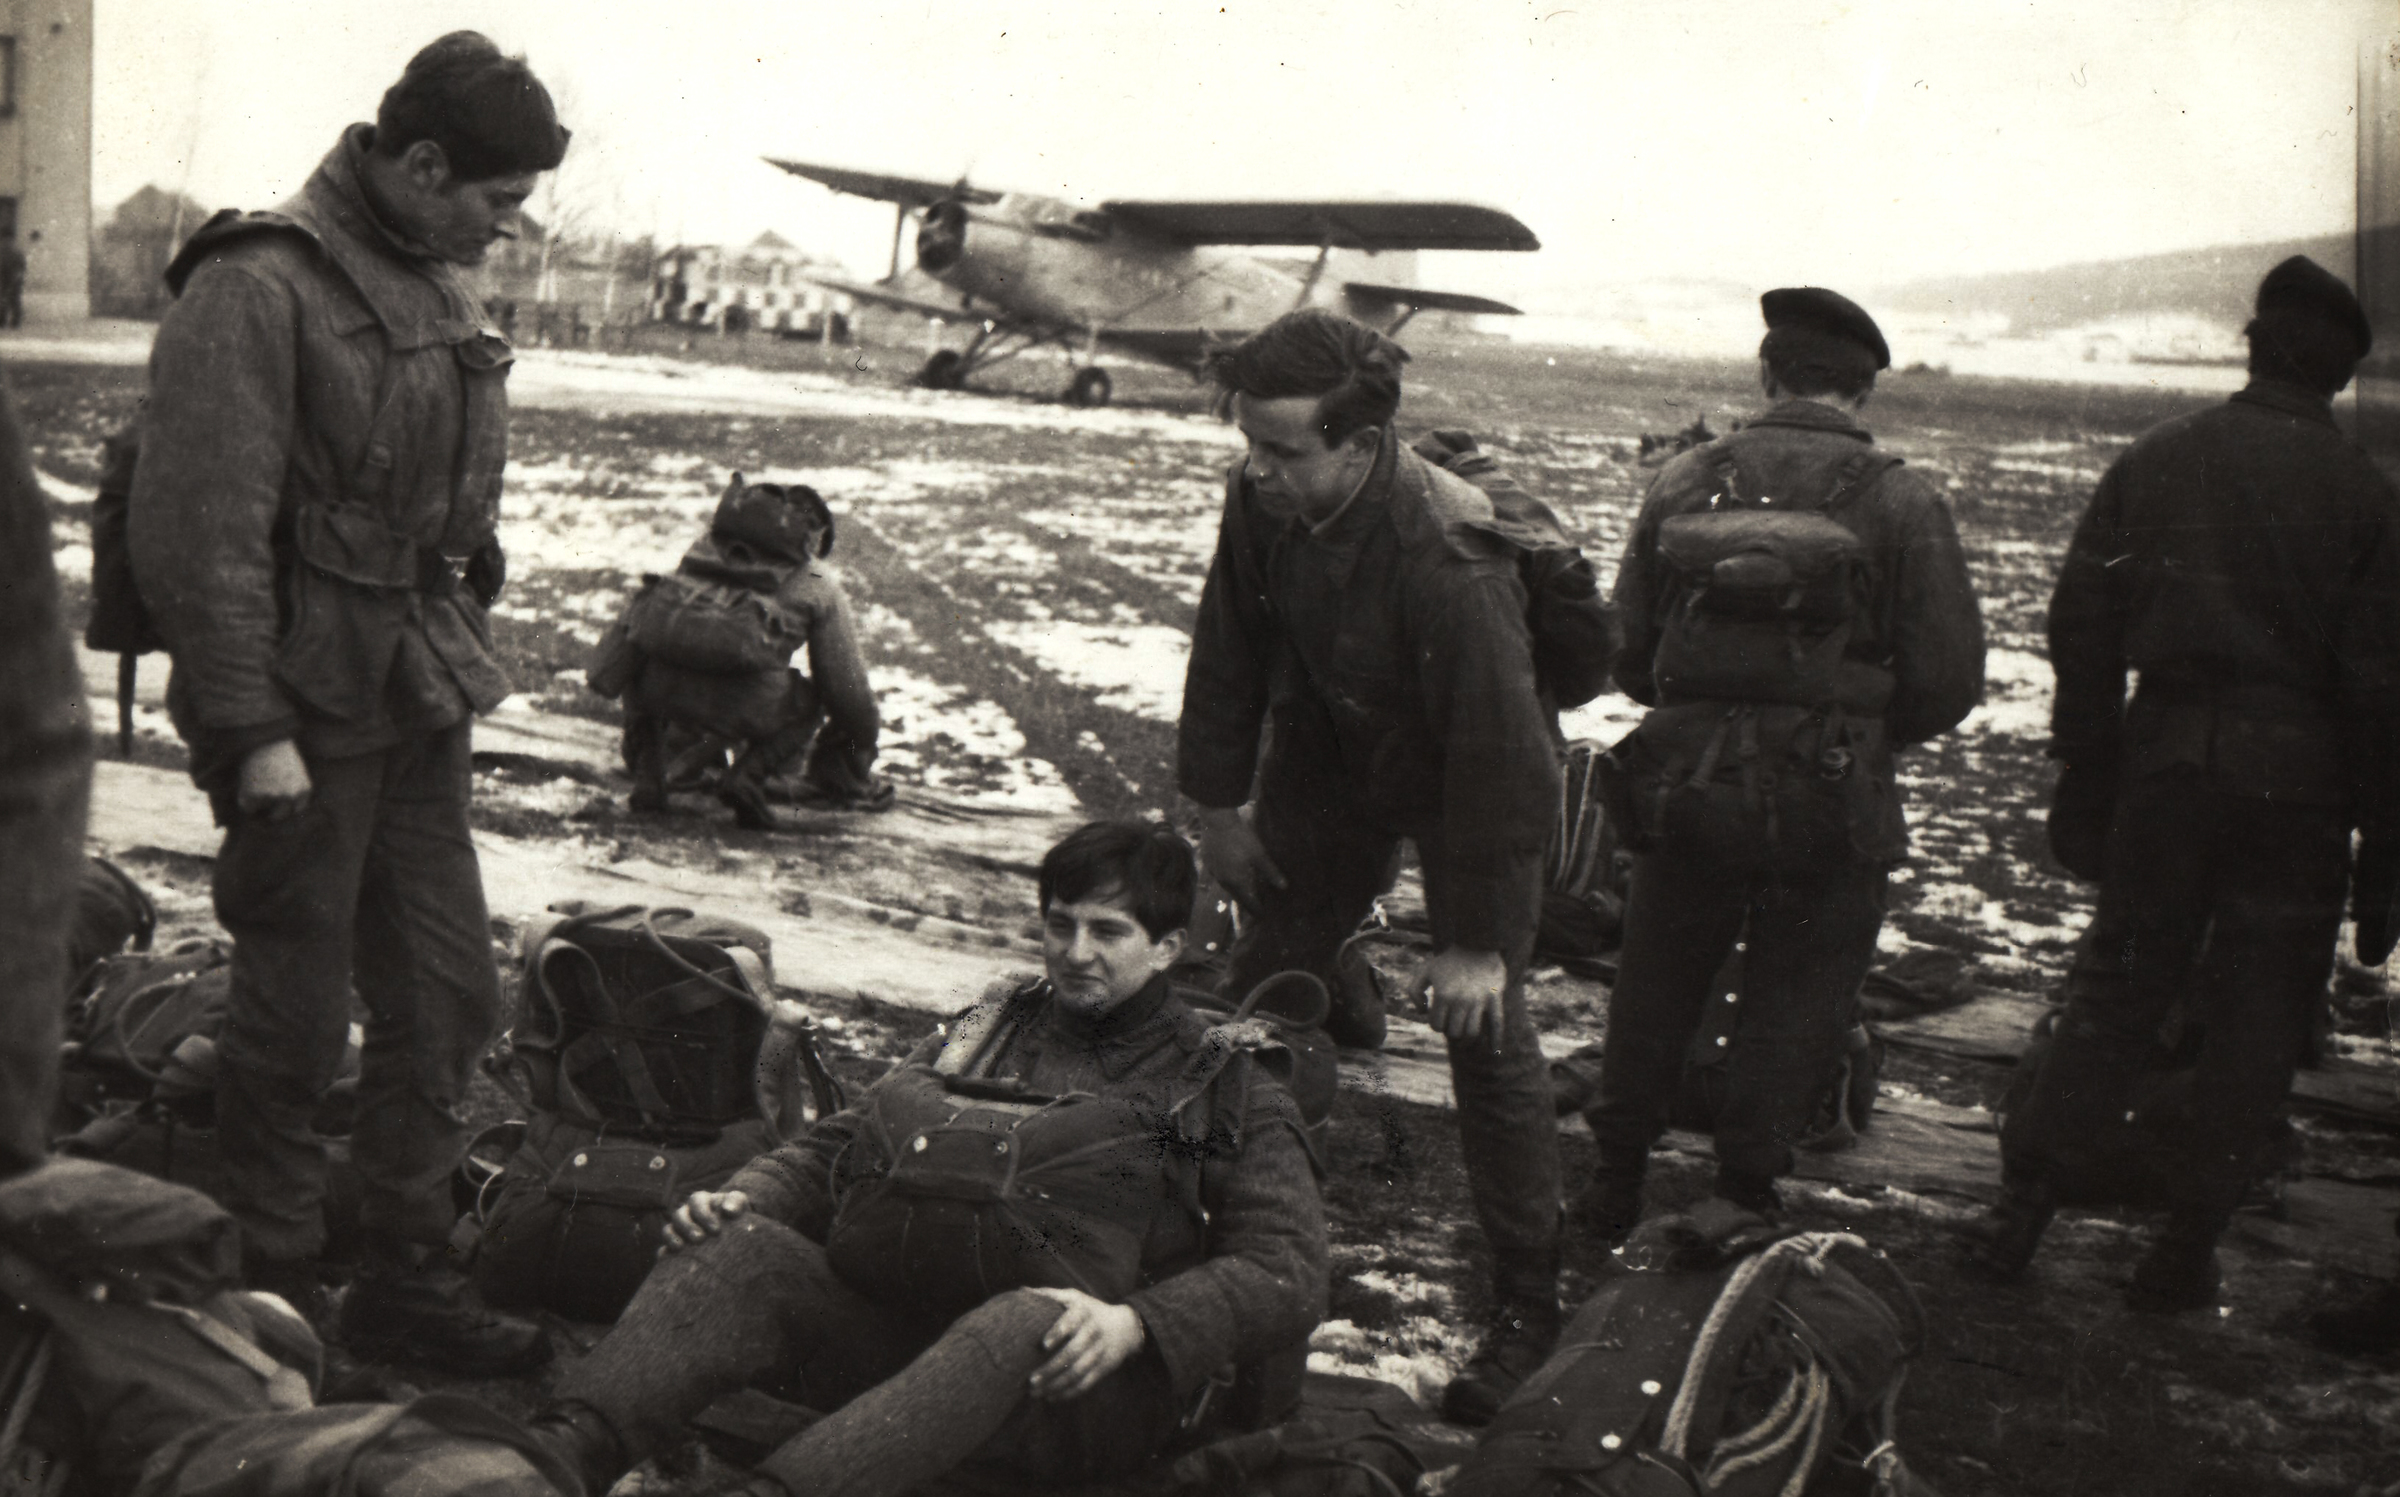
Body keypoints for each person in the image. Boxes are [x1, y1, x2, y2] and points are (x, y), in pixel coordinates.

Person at [125, 32, 568, 1374]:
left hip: (416, 685)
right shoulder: (257, 283)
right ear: (422, 164)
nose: (506, 227)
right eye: (496, 198)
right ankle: (268, 1278)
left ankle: (404, 1274)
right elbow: (198, 535)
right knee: (296, 1008)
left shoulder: (430, 269)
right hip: (300, 704)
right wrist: (249, 731)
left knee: (448, 992)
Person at [528, 820, 1327, 1497]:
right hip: (908, 1343)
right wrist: (749, 1194)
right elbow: (851, 1134)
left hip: (1078, 1389)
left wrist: (1136, 1324)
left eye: (1108, 931)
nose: (1075, 951)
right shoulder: (991, 1023)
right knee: (736, 1248)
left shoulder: (1222, 1076)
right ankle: (549, 1457)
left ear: (1168, 948)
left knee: (1032, 1314)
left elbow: (1287, 1266)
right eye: (1060, 923)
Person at [1971, 256, 2400, 1312]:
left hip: (2166, 766)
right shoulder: (2370, 495)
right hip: (2303, 793)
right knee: (2262, 1018)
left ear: (2251, 350)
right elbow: (2381, 689)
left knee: (2115, 990)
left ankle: (2020, 1214)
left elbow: (2083, 623)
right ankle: (2185, 1248)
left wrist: (2087, 768)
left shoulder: (2159, 456)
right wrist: (2384, 848)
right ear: (2340, 378)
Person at [1177, 309, 1567, 1425]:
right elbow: (1229, 643)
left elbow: (1506, 761)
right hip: (1330, 753)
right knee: (1264, 985)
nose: (1257, 468)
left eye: (1282, 449)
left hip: (1466, 775)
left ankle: (1529, 1296)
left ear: (1360, 444)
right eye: (1247, 441)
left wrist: (1477, 942)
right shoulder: (1261, 494)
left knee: (1484, 1031)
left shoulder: (1452, 558)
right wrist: (1217, 807)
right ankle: (1215, 1235)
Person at [1579, 288, 1984, 1241]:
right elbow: (1947, 678)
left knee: (1655, 978)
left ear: (1766, 375)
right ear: (1865, 389)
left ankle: (1613, 1178)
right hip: (1831, 790)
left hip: (1689, 783)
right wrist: (1857, 729)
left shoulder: (1685, 479)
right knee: (1802, 991)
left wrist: (1704, 707)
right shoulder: (1903, 499)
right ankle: (1745, 1188)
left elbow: (1629, 650)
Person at [606, 474, 889, 828]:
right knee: (809, 700)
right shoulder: (816, 579)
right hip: (737, 705)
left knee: (674, 657)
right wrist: (855, 755)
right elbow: (849, 695)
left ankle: (653, 774)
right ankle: (748, 778)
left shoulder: (701, 551)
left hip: (655, 696)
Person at [0, 228, 26, 328]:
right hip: (15, 276)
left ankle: (2, 320)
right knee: (14, 298)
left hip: (5, 277)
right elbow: (22, 265)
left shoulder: (2, 249)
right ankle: (15, 321)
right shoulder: (17, 251)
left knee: (4, 297)